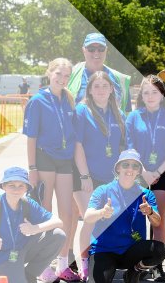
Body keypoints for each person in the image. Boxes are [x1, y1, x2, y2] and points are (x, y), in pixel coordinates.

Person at [71, 71, 129, 281]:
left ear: (112, 89)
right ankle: (83, 264)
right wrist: (85, 177)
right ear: (90, 89)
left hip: (109, 177)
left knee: (106, 221)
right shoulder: (82, 111)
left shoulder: (118, 114)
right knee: (89, 220)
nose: (101, 90)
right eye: (97, 86)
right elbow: (77, 145)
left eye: (105, 86)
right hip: (85, 175)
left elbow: (123, 146)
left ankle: (104, 262)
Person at [22, 58, 76, 281]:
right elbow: (31, 138)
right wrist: (32, 168)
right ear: (49, 73)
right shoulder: (37, 100)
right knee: (45, 211)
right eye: (58, 75)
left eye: (66, 76)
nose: (62, 79)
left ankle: (62, 262)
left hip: (65, 159)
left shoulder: (69, 100)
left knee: (67, 212)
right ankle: (43, 266)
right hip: (44, 159)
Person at [126, 75, 165, 281]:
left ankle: (155, 263)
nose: (150, 96)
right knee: (138, 219)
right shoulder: (134, 117)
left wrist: (158, 171)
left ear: (162, 94)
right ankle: (137, 264)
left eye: (155, 92)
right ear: (141, 95)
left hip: (163, 171)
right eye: (146, 92)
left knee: (157, 219)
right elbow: (129, 146)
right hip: (137, 172)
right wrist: (143, 171)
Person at [84, 149, 165, 283]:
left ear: (139, 171)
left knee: (160, 250)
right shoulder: (103, 190)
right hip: (105, 250)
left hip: (131, 250)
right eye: (126, 164)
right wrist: (101, 212)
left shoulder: (146, 194)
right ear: (118, 168)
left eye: (135, 166)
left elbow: (157, 223)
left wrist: (150, 212)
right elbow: (87, 217)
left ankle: (134, 272)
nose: (130, 169)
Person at [0, 167, 66, 283]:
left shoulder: (27, 204)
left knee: (58, 235)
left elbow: (58, 222)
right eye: (11, 185)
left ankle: (29, 274)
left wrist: (34, 229)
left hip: (19, 252)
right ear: (3, 186)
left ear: (26, 188)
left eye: (21, 186)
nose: (16, 190)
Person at [67, 33, 133, 114]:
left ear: (106, 50)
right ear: (84, 50)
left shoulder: (120, 79)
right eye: (91, 49)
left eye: (101, 48)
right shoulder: (69, 75)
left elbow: (127, 115)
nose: (96, 53)